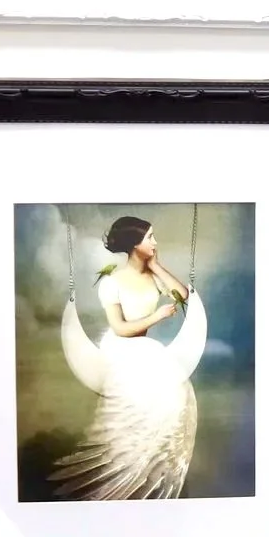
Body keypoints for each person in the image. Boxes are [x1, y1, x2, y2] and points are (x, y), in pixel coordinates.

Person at [52, 214, 201, 500]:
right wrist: (156, 316)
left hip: (144, 353)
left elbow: (184, 297)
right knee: (156, 412)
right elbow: (120, 328)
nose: (155, 242)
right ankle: (122, 474)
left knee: (180, 407)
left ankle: (150, 477)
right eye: (150, 238)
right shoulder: (112, 282)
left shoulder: (153, 276)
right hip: (121, 350)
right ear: (135, 245)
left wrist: (156, 265)